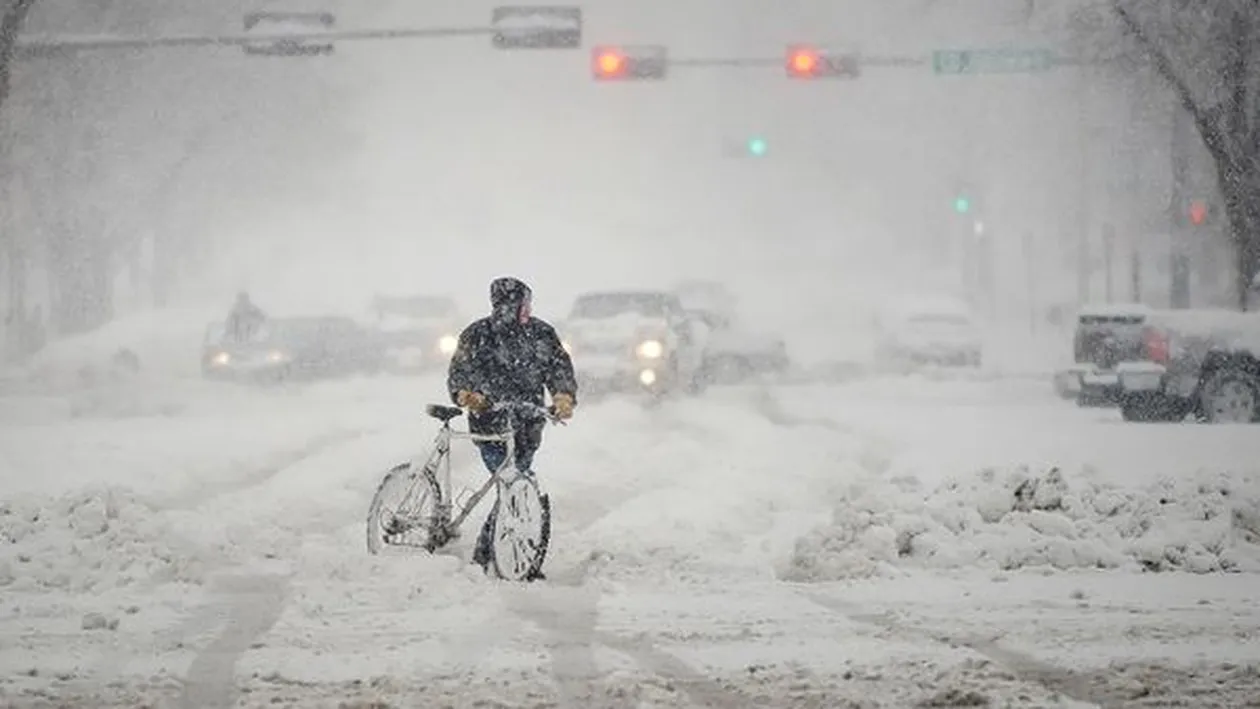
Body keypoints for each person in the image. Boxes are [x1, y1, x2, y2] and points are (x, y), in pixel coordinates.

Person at [447, 276, 577, 578]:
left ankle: (495, 555)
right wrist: (467, 395)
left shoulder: (542, 334)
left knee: (514, 483)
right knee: (509, 481)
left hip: (528, 425)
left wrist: (563, 395)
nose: (528, 309)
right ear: (511, 305)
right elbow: (459, 371)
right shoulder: (478, 335)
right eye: (524, 303)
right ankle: (487, 557)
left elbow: (559, 367)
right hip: (489, 425)